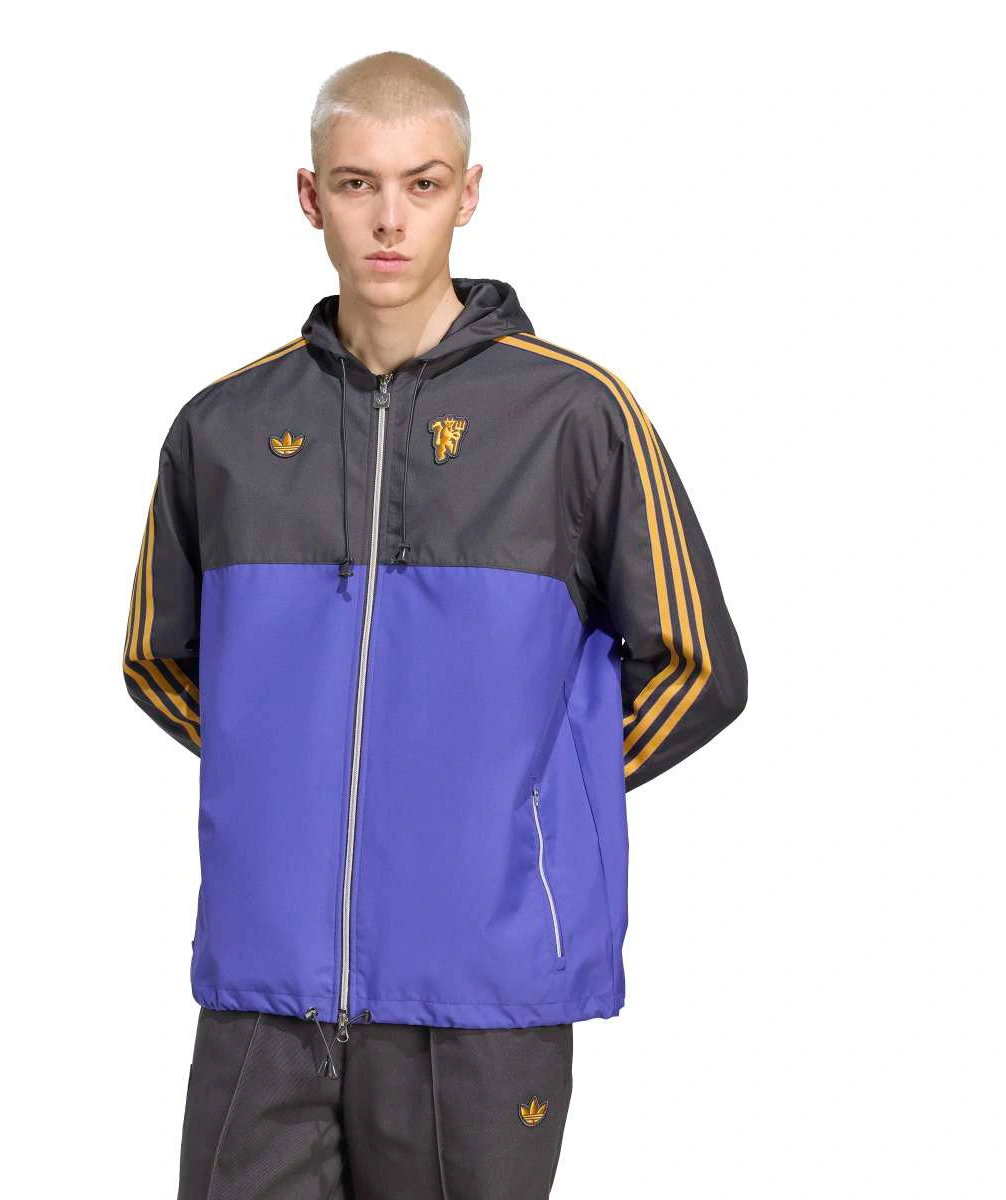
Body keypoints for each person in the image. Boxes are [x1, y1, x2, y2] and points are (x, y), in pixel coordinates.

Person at [123, 49, 748, 1200]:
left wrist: (519, 803)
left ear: (468, 195)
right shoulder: (222, 426)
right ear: (310, 196)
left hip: (478, 995)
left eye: (423, 184)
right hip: (266, 987)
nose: (389, 220)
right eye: (357, 184)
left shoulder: (572, 415)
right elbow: (161, 657)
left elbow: (698, 666)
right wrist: (301, 787)